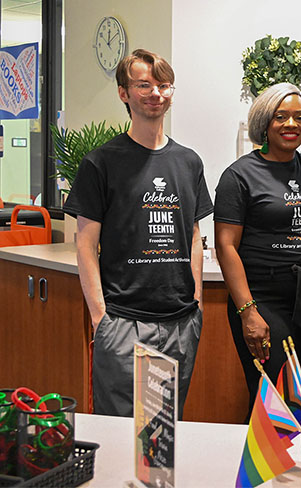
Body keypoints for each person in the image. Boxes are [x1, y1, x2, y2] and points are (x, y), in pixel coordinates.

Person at [63, 49, 213, 417]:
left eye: (163, 85)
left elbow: (193, 235)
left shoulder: (188, 161)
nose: (155, 93)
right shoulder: (101, 162)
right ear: (123, 93)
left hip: (180, 322)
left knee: (162, 435)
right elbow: (85, 244)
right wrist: (101, 318)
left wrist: (196, 301)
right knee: (119, 433)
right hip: (123, 322)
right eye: (143, 84)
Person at [214, 83, 301, 418]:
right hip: (263, 296)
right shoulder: (239, 175)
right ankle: (266, 469)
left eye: (299, 117)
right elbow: (226, 247)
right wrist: (248, 312)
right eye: (281, 117)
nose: (291, 124)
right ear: (265, 122)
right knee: (277, 394)